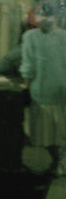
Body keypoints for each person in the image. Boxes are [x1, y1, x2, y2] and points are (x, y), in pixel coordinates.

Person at [19, 12, 66, 176]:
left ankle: (57, 164)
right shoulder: (63, 36)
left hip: (42, 91)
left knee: (45, 132)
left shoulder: (30, 37)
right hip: (62, 90)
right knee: (60, 131)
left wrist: (25, 86)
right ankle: (59, 163)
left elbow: (28, 65)